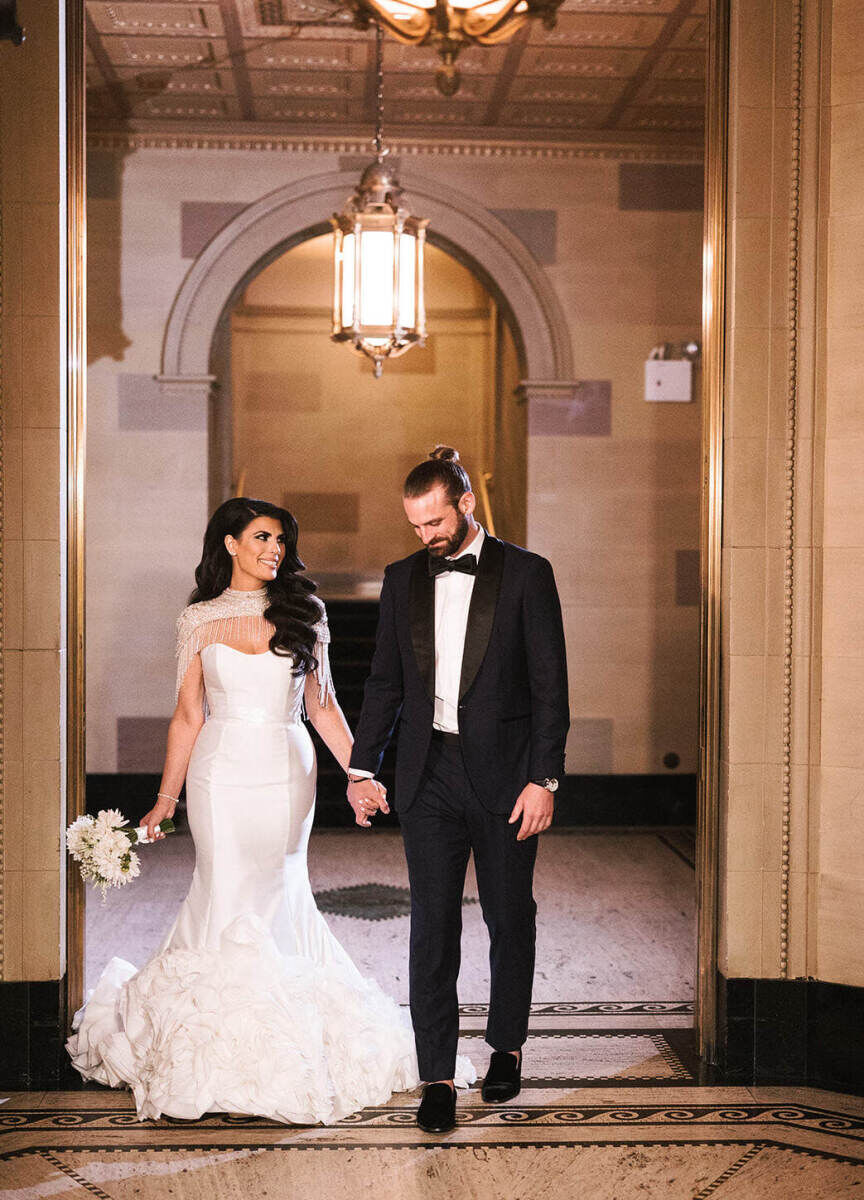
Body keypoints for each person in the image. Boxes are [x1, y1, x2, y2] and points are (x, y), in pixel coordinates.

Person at [67, 497, 472, 1124]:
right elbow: (188, 715)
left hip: (288, 769)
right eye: (261, 537)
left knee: (282, 887)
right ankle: (211, 1048)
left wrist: (358, 774)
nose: (274, 549)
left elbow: (325, 705)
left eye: (281, 539)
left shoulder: (304, 611)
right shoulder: (199, 619)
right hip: (219, 772)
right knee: (223, 885)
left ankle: (289, 1039)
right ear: (229, 544)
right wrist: (164, 798)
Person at [346, 447, 570, 1134]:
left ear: (465, 503)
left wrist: (544, 778)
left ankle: (506, 1046)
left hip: (508, 780)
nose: (427, 536)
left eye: (436, 522)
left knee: (509, 916)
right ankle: (436, 1076)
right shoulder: (402, 578)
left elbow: (550, 687)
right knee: (431, 928)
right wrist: (362, 769)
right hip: (427, 776)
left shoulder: (528, 574)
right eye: (416, 526)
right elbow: (384, 681)